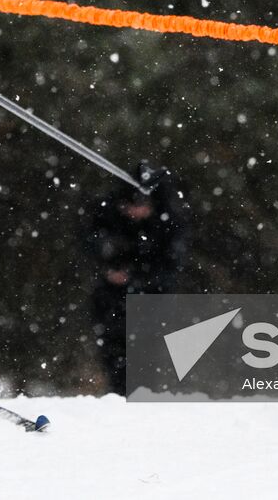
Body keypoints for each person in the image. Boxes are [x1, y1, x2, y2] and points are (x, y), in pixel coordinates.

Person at [83, 163, 187, 393]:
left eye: (139, 205)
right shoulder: (107, 214)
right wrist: (108, 267)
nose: (133, 212)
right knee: (114, 358)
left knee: (146, 360)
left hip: (151, 302)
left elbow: (171, 265)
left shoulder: (168, 223)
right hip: (110, 302)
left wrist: (135, 277)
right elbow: (89, 244)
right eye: (127, 206)